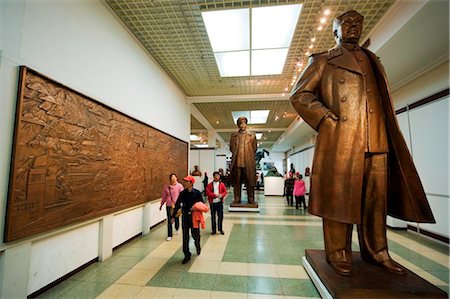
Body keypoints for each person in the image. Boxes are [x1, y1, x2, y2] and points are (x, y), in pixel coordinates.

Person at [290, 10, 435, 276]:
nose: (354, 26)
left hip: (376, 136)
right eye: (347, 23)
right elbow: (299, 95)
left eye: (358, 22)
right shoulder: (324, 61)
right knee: (339, 197)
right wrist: (326, 118)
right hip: (342, 138)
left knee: (375, 200)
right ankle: (338, 252)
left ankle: (377, 251)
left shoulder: (373, 60)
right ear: (335, 31)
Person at [171, 175, 204, 264]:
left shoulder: (197, 193)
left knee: (195, 234)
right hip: (185, 217)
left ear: (191, 183)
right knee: (185, 237)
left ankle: (197, 244)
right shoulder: (183, 193)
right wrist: (173, 216)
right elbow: (177, 204)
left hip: (194, 217)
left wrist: (195, 208)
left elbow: (202, 204)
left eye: (187, 181)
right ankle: (187, 255)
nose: (185, 183)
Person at [229, 116, 257, 204]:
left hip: (248, 162)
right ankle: (237, 198)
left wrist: (248, 154)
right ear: (238, 125)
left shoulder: (252, 135)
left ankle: (251, 198)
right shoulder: (233, 136)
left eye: (244, 123)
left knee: (250, 182)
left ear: (246, 124)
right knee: (237, 182)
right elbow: (231, 148)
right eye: (240, 123)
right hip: (237, 162)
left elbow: (254, 148)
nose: (242, 125)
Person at [159, 173, 183, 241]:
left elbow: (182, 195)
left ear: (176, 178)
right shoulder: (166, 187)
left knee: (176, 217)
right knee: (169, 220)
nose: (174, 179)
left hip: (177, 205)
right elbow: (164, 196)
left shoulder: (180, 186)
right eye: (172, 178)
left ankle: (177, 228)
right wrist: (161, 204)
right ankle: (169, 235)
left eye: (175, 178)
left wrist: (182, 203)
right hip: (169, 205)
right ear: (170, 179)